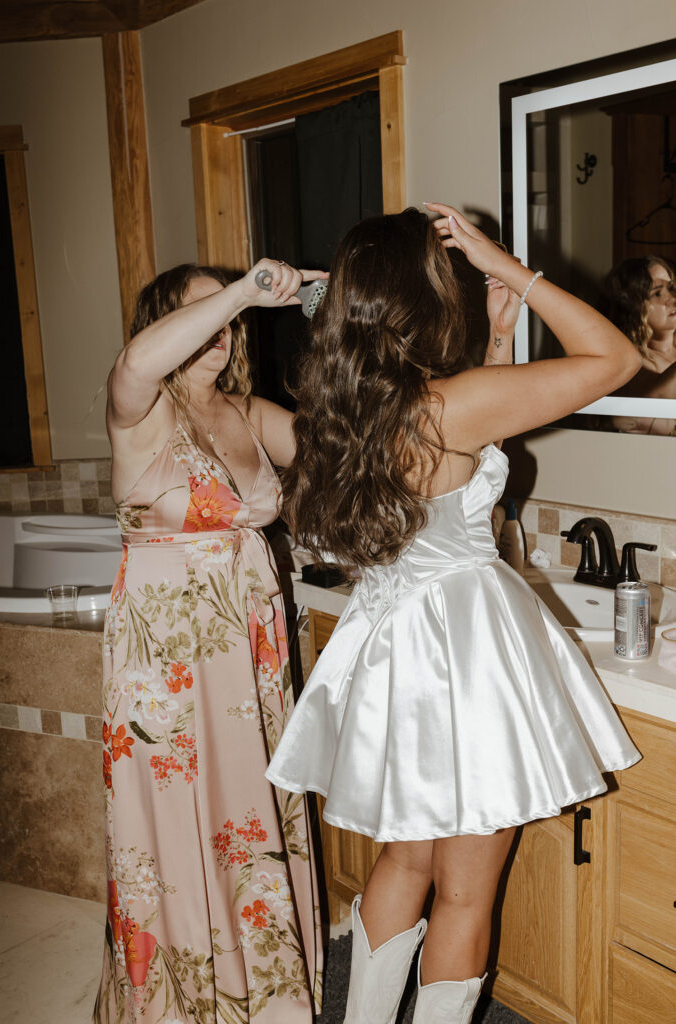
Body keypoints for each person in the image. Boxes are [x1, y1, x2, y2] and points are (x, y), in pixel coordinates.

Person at [265, 207, 642, 1024]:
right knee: (466, 893)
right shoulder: (448, 406)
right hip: (464, 655)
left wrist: (497, 341)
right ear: (425, 296)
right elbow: (615, 356)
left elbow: (457, 470)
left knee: (405, 860)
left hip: (395, 646)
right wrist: (509, 267)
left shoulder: (343, 411)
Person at [93, 260, 326, 1023]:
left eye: (229, 319)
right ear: (166, 320)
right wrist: (244, 291)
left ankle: (264, 987)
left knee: (249, 806)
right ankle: (184, 996)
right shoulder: (140, 409)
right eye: (205, 315)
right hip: (164, 654)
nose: (223, 330)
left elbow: (342, 458)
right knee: (175, 815)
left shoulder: (248, 412)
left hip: (246, 645)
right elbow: (134, 361)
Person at [604, 255, 676, 434]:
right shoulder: (626, 360)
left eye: (672, 288)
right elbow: (655, 398)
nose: (672, 299)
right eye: (657, 293)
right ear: (632, 305)